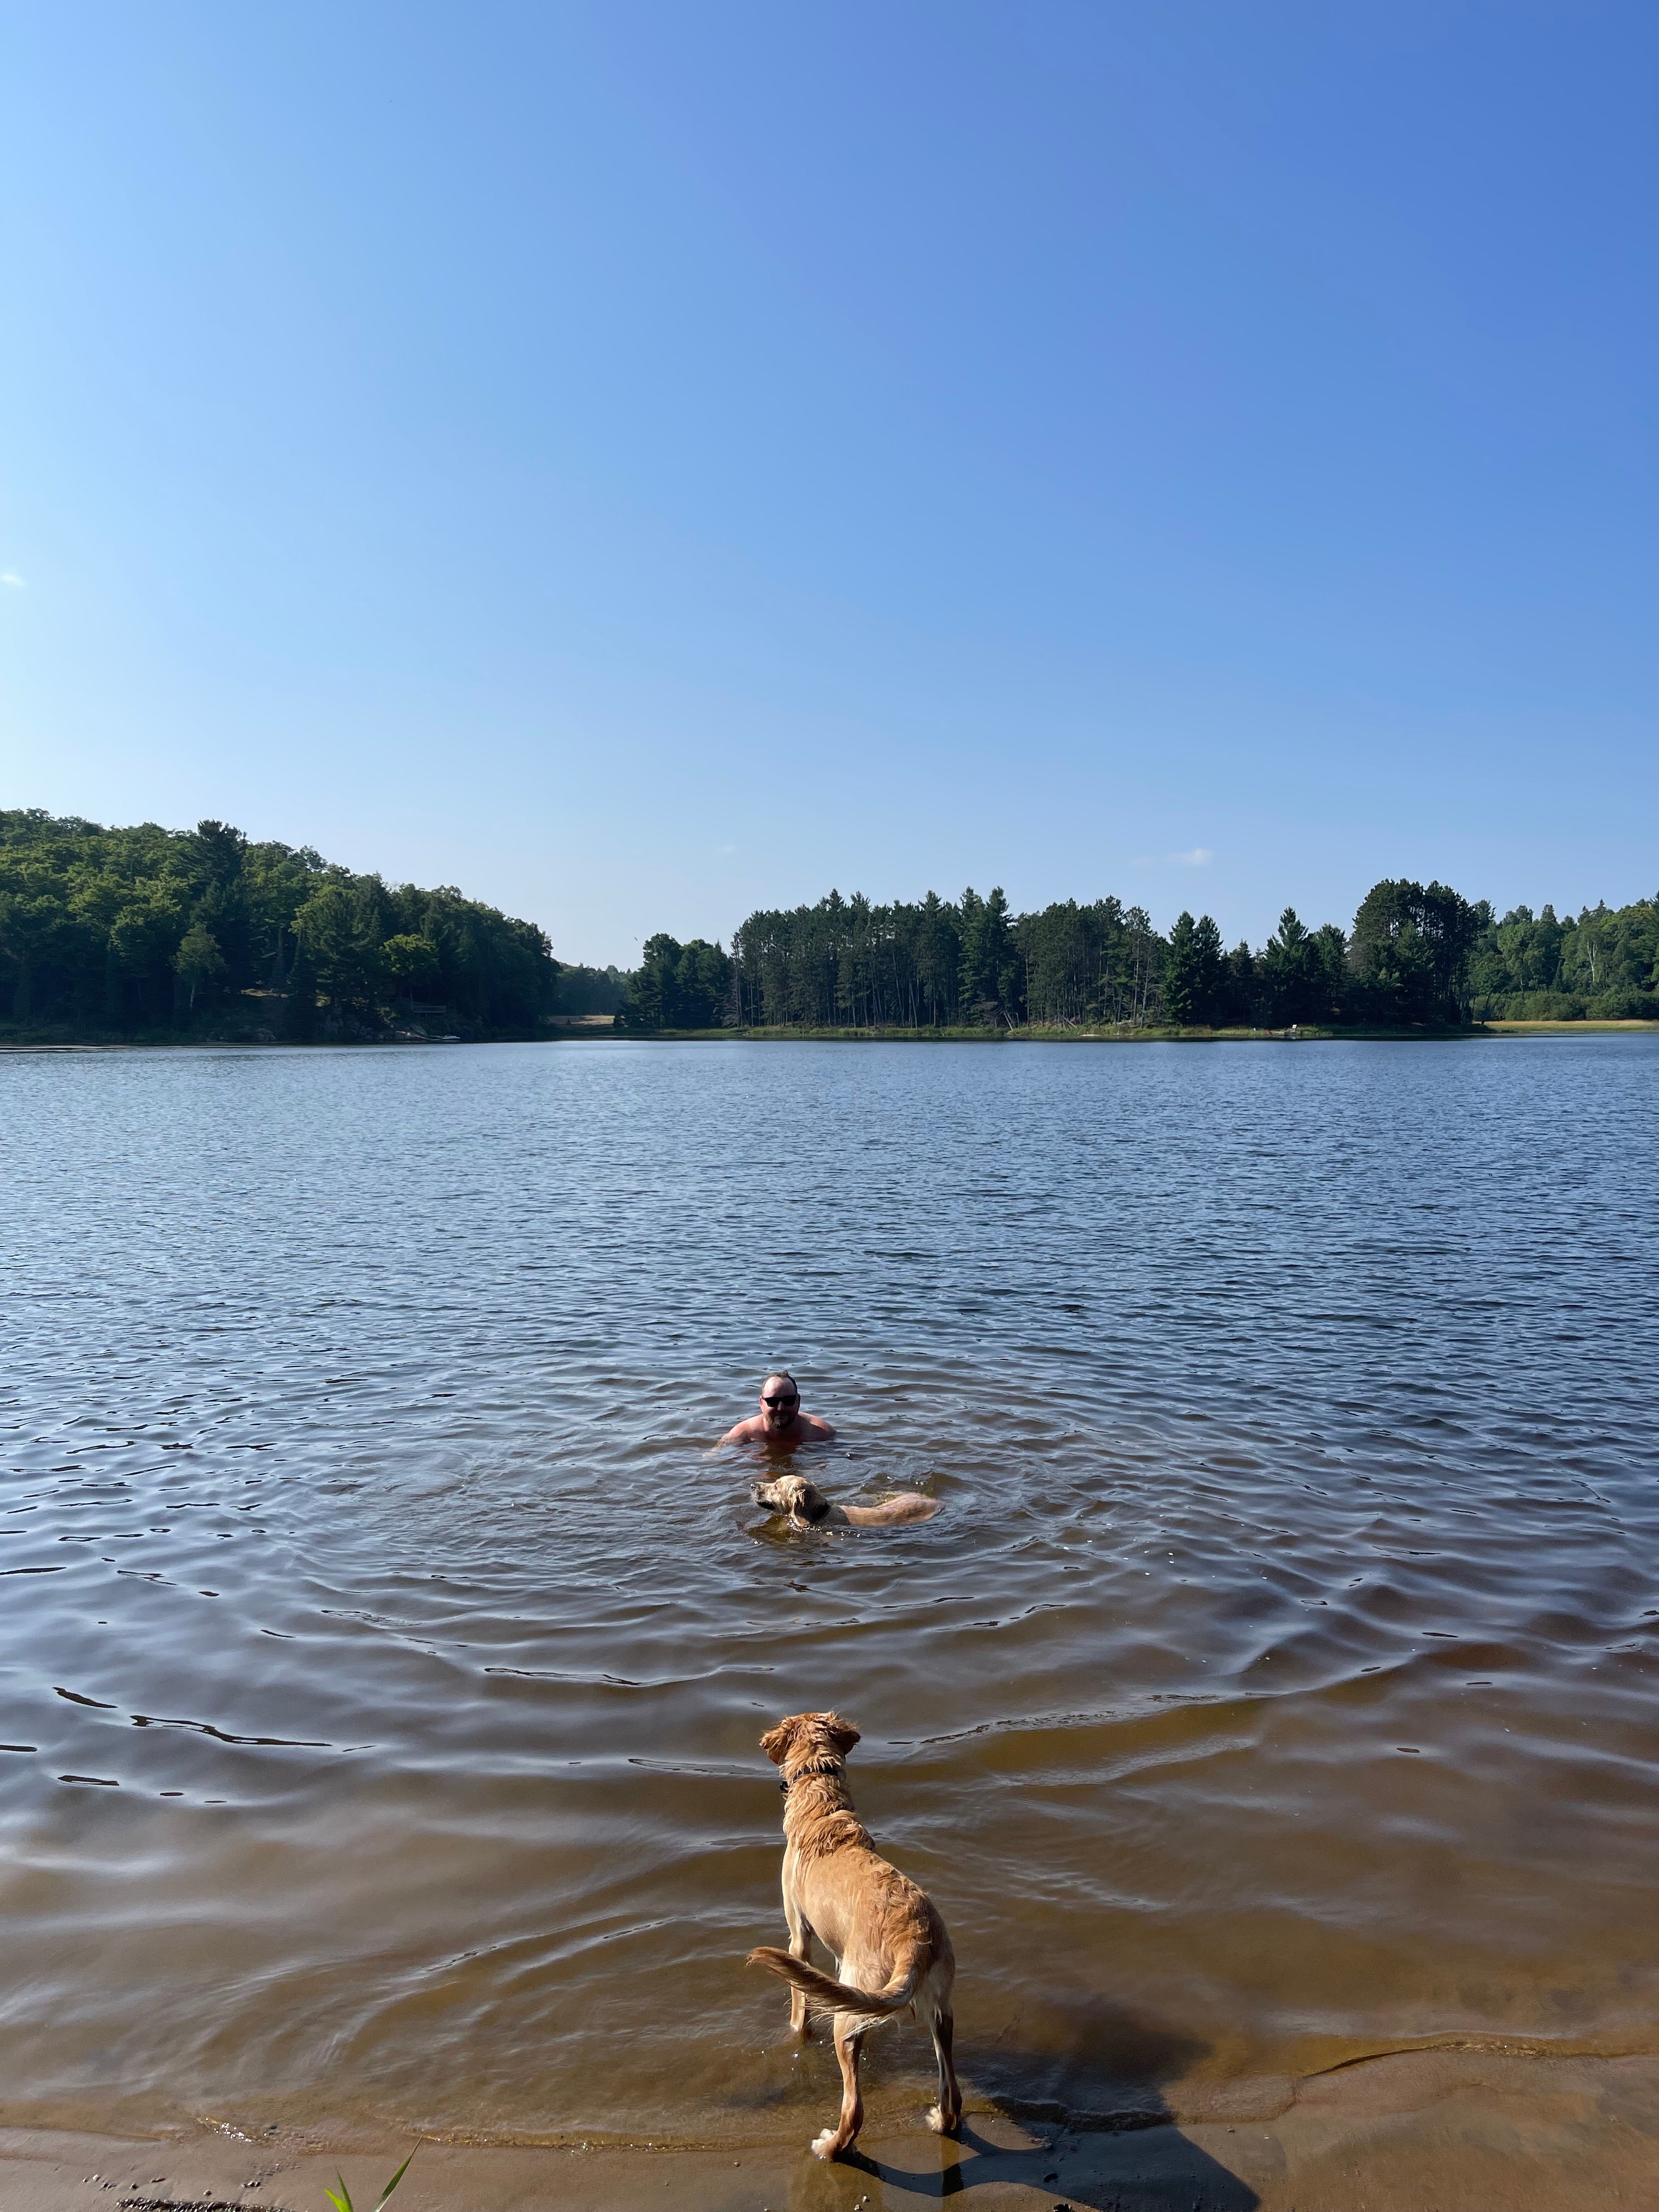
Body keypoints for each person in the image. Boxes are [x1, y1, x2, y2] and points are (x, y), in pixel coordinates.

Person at [719, 1371, 835, 1448]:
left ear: (798, 1401)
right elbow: (713, 1461)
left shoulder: (821, 1433)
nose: (780, 1408)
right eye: (773, 1402)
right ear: (761, 1403)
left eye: (788, 1400)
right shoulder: (743, 1434)